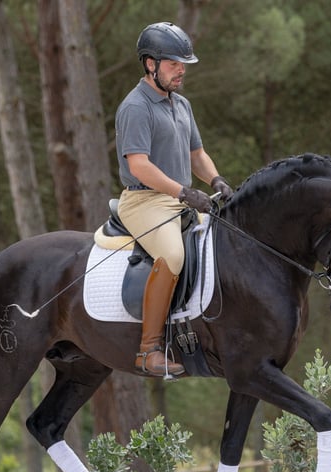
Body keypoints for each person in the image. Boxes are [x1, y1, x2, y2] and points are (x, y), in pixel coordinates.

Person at [115, 22, 233, 377]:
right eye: (174, 64)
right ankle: (149, 349)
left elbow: (197, 154)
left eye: (184, 64)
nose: (182, 70)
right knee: (173, 254)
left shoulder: (181, 104)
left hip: (181, 200)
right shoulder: (135, 107)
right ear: (151, 64)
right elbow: (139, 165)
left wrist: (216, 179)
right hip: (145, 201)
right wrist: (182, 191)